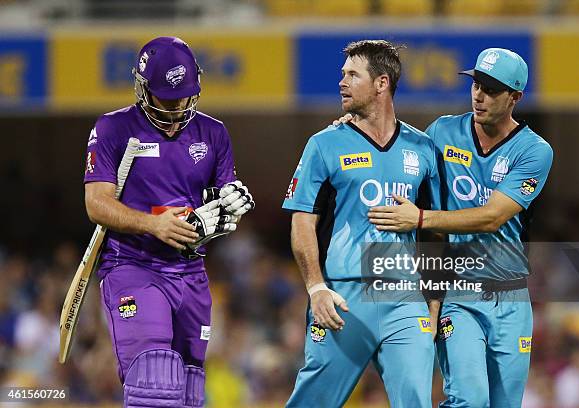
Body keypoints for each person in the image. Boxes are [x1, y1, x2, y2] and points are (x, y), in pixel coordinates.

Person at [366, 48, 554, 407]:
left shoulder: (534, 151)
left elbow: (493, 216)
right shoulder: (443, 132)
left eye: (492, 89)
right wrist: (354, 125)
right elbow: (395, 150)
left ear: (515, 97)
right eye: (476, 84)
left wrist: (420, 218)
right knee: (469, 400)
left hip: (512, 297)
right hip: (459, 294)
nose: (479, 95)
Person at [83, 36, 254, 408]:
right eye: (167, 98)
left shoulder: (214, 133)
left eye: (183, 97)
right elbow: (96, 204)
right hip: (133, 267)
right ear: (143, 87)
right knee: (153, 383)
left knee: (189, 390)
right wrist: (153, 225)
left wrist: (226, 211)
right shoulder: (114, 129)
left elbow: (219, 202)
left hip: (191, 272)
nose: (177, 109)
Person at [282, 40, 440, 408]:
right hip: (344, 297)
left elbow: (434, 228)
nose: (342, 82)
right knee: (313, 402)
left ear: (382, 83)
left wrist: (432, 302)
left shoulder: (423, 148)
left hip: (406, 298)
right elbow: (302, 221)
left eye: (353, 75)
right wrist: (316, 287)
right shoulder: (324, 144)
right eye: (343, 74)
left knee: (417, 399)